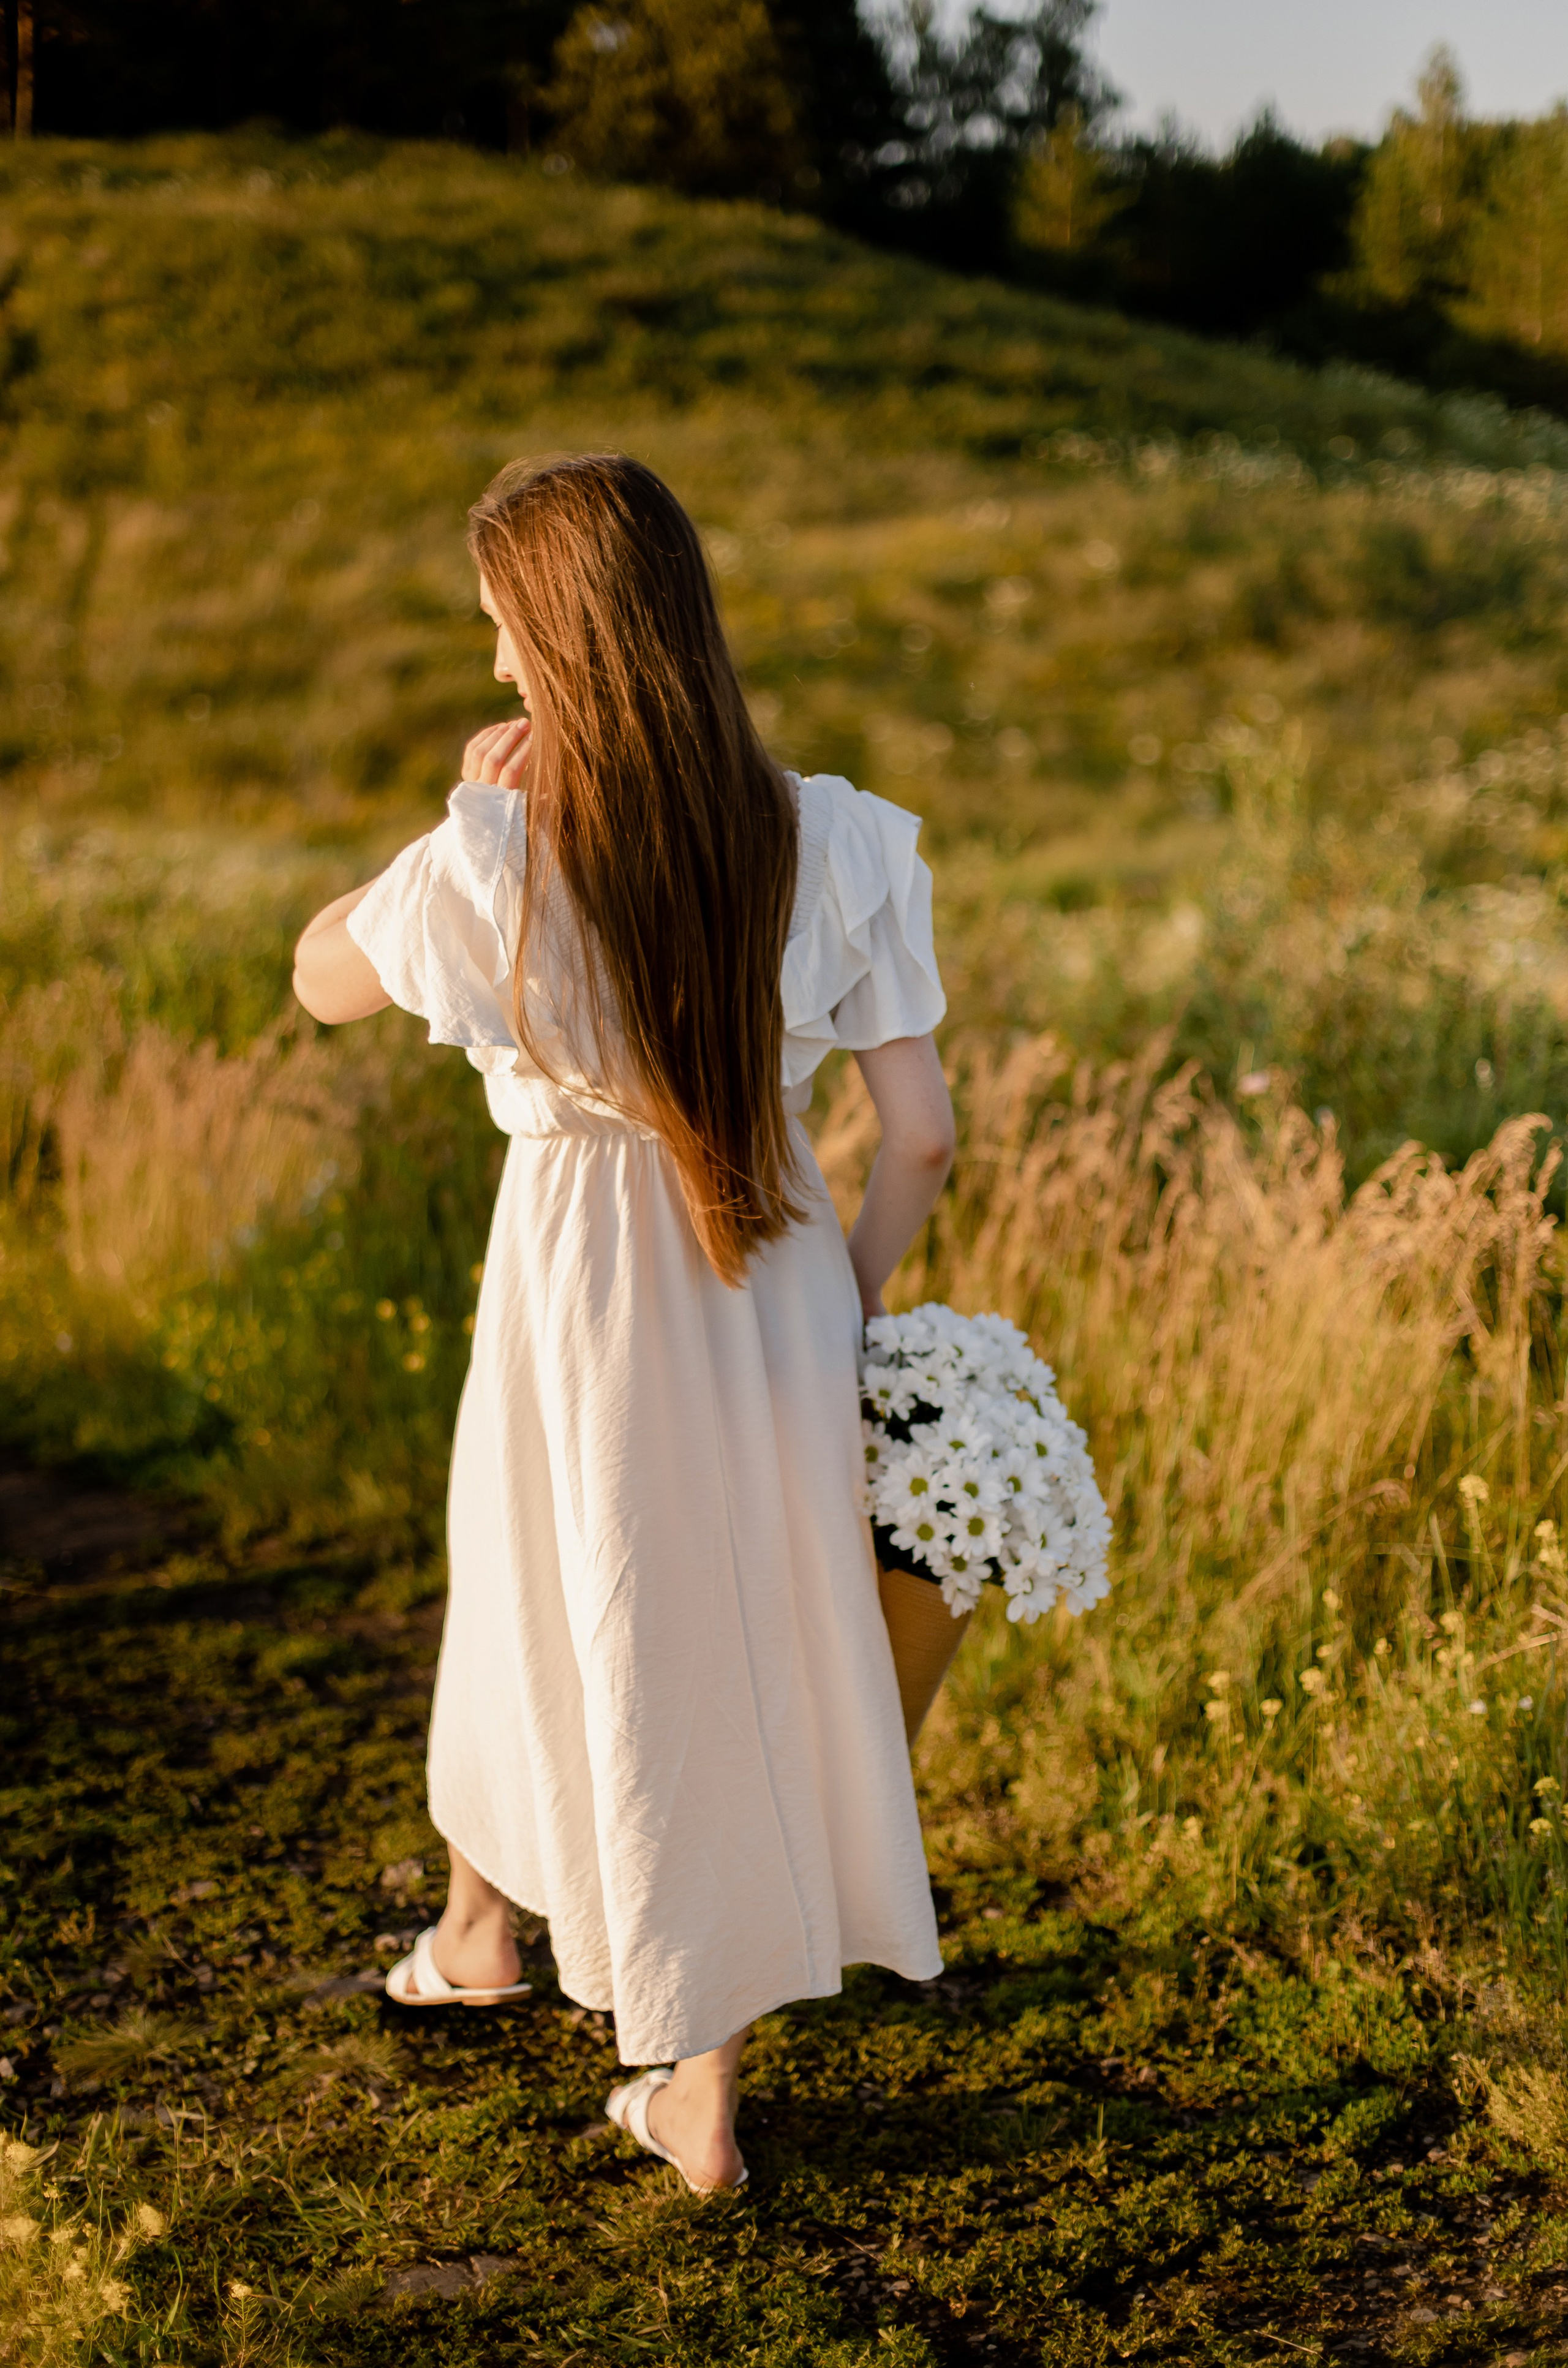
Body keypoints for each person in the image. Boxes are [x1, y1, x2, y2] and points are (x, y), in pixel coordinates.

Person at [293, 453, 955, 2195]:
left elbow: (316, 974)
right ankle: (509, 1944)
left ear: (565, 638)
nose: (493, 660)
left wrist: (455, 816)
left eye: (506, 626)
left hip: (584, 1285)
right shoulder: (837, 834)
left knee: (557, 1606)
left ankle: (666, 2073)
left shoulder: (496, 855)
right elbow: (929, 1130)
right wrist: (851, 1308)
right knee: (731, 1634)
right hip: (779, 1268)